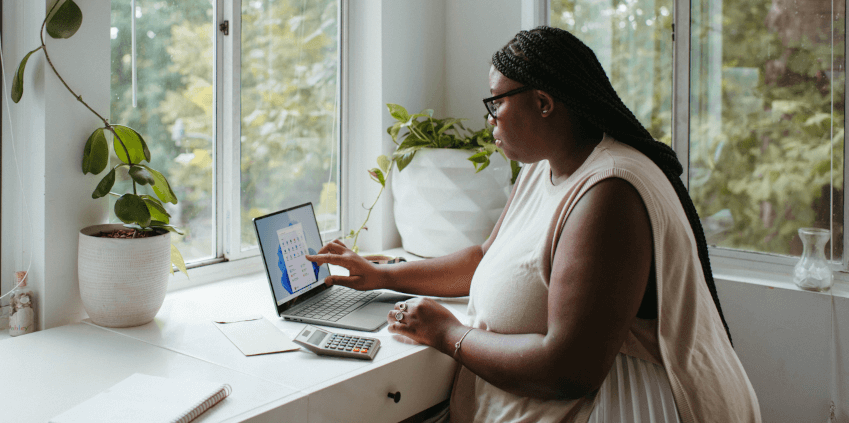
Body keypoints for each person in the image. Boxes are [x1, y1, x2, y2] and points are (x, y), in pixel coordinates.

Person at [306, 26, 761, 422]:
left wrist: (448, 333)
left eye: (496, 102)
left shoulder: (610, 193)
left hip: (626, 408)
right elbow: (486, 257)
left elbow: (568, 369)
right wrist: (383, 274)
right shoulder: (543, 168)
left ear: (543, 102)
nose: (489, 120)